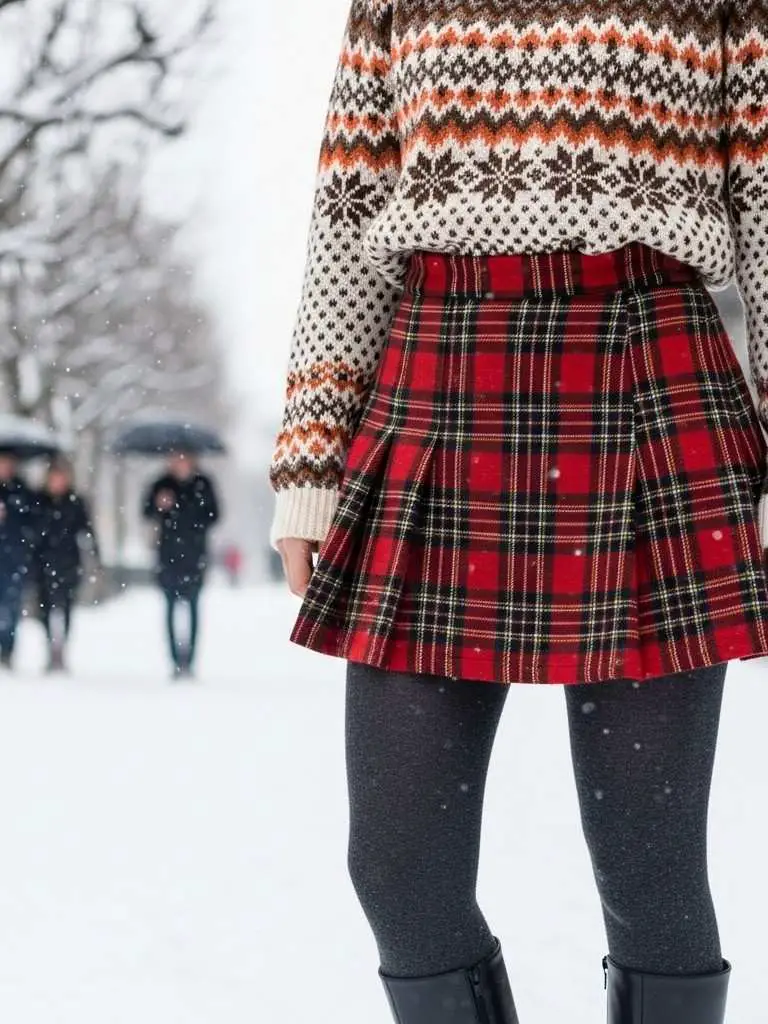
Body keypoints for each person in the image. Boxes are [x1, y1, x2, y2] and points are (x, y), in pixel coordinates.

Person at [268, 3, 768, 1022]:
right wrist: (312, 454)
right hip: (436, 382)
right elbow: (348, 207)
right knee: (399, 867)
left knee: (650, 866)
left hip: (650, 380)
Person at [143, 452, 220, 679]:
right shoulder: (160, 484)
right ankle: (175, 660)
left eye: (184, 458)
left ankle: (190, 660)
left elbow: (214, 515)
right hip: (167, 556)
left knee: (194, 607)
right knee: (169, 607)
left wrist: (195, 507)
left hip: (195, 556)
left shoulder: (203, 483)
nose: (179, 463)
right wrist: (159, 505)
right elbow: (146, 512)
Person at [33, 459, 99, 673]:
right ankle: (50, 647)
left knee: (67, 607)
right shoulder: (38, 501)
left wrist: (95, 556)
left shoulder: (75, 502)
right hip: (43, 563)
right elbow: (33, 533)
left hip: (69, 563)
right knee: (45, 608)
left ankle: (62, 649)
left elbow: (87, 531)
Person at [0, 452, 37, 668]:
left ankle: (7, 648)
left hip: (14, 557)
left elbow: (33, 521)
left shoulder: (22, 491)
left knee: (11, 605)